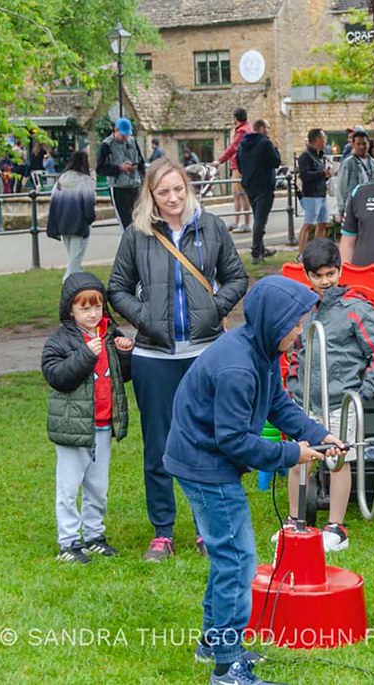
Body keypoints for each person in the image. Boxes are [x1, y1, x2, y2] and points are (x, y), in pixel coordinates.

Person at [163, 276, 345, 685]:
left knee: (229, 556)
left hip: (207, 459)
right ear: (272, 322)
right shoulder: (237, 366)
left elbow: (277, 403)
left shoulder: (260, 350)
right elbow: (234, 442)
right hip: (204, 465)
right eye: (294, 325)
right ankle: (227, 667)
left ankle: (213, 642)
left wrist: (317, 434)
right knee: (238, 560)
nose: (299, 332)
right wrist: (290, 454)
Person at [107, 158, 248, 561]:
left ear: (188, 188)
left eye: (178, 190)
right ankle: (163, 530)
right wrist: (145, 318)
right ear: (150, 195)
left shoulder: (212, 227)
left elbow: (237, 276)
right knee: (160, 445)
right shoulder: (138, 235)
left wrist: (213, 310)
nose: (172, 198)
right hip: (155, 356)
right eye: (163, 192)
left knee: (207, 440)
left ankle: (208, 529)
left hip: (204, 353)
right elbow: (117, 288)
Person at [279, 238, 374, 552]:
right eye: (318, 275)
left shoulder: (356, 308)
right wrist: (292, 388)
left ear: (340, 271)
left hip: (343, 400)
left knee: (339, 460)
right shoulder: (300, 309)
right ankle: (294, 519)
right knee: (298, 459)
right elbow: (291, 351)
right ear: (307, 275)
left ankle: (336, 525)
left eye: (331, 273)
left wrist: (362, 392)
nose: (325, 281)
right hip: (305, 400)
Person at [42, 273, 134, 564]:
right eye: (85, 308)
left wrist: (126, 354)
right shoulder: (60, 341)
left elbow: (123, 376)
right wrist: (85, 355)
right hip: (74, 427)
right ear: (70, 310)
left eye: (97, 306)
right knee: (69, 487)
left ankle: (94, 535)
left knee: (98, 485)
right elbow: (57, 376)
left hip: (104, 424)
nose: (92, 313)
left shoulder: (110, 334)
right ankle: (68, 541)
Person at [236, 119, 282, 265]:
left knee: (257, 216)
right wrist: (275, 148)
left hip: (249, 185)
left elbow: (239, 165)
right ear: (261, 128)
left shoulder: (242, 145)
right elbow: (276, 162)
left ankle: (261, 249)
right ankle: (256, 252)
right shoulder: (265, 143)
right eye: (268, 127)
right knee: (260, 220)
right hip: (264, 185)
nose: (269, 130)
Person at [46, 151, 97, 281]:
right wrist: (90, 220)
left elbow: (54, 203)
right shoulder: (86, 181)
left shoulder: (61, 180)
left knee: (73, 258)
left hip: (63, 224)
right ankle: (69, 284)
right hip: (79, 225)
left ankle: (76, 282)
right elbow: (89, 205)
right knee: (75, 260)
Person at [96, 117, 145, 231]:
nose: (125, 138)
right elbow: (100, 169)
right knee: (125, 221)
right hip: (118, 187)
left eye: (127, 135)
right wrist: (119, 168)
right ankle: (127, 242)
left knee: (139, 218)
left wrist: (142, 176)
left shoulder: (132, 142)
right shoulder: (106, 145)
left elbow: (141, 162)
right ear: (116, 131)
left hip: (135, 184)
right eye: (123, 135)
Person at [213, 107, 252, 233]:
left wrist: (220, 161)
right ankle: (237, 221)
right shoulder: (246, 128)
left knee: (241, 195)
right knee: (237, 195)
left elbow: (233, 148)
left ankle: (245, 223)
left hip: (239, 167)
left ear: (236, 118)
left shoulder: (242, 131)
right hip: (239, 165)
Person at [297, 128, 331, 251]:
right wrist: (322, 173)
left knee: (322, 223)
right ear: (317, 139)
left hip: (321, 194)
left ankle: (317, 250)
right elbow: (305, 175)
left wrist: (326, 176)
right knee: (309, 224)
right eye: (323, 138)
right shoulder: (305, 157)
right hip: (311, 195)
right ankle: (301, 252)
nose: (325, 141)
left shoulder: (319, 156)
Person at [336, 128, 374, 215]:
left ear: (368, 144)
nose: (361, 147)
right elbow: (341, 187)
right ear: (353, 145)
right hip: (353, 205)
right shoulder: (348, 163)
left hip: (370, 205)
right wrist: (341, 209)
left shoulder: (373, 163)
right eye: (358, 144)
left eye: (364, 144)